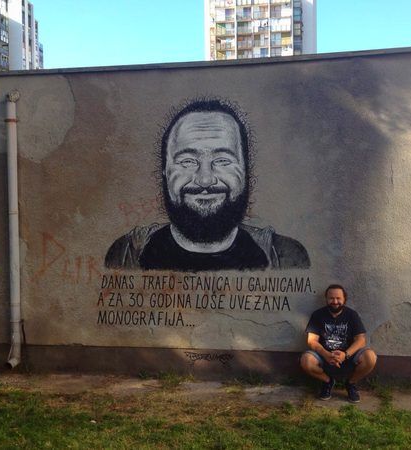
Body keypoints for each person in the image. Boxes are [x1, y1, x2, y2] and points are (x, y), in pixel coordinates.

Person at [104, 98, 310, 272]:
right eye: (187, 161)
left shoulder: (285, 257)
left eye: (222, 160)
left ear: (246, 170)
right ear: (165, 172)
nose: (205, 179)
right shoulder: (125, 255)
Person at [300, 284, 377, 402]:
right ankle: (328, 382)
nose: (335, 301)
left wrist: (345, 355)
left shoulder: (352, 315)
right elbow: (311, 341)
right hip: (324, 355)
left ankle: (351, 383)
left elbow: (361, 340)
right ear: (326, 299)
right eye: (331, 298)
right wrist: (326, 354)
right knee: (306, 360)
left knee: (370, 357)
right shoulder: (318, 315)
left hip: (348, 355)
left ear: (344, 299)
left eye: (338, 298)